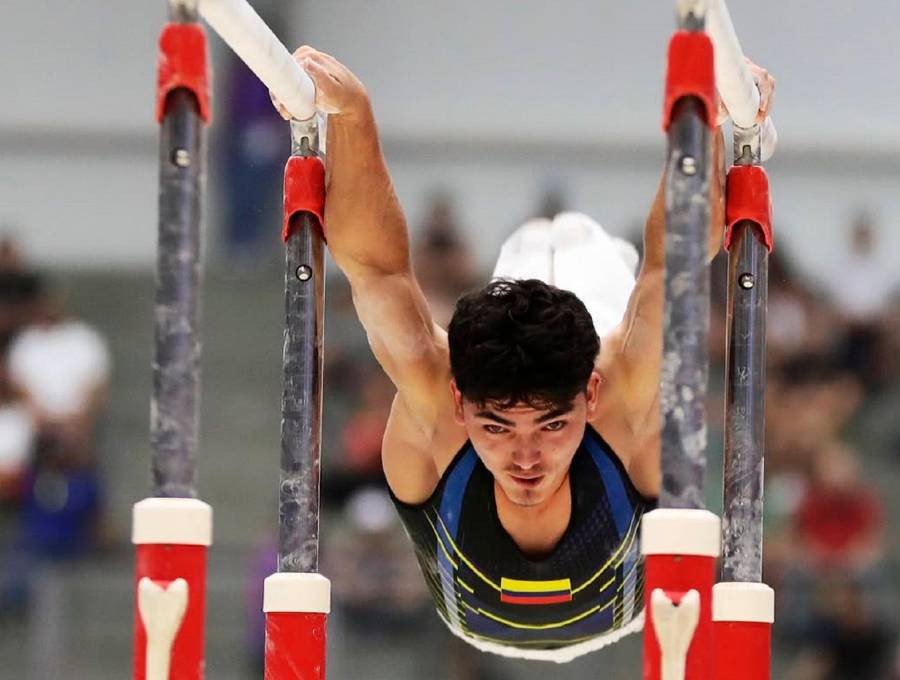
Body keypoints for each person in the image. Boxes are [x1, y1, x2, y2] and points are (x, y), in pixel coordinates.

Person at [272, 47, 775, 659]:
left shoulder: (618, 394)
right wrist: (351, 110)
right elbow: (376, 272)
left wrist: (710, 122)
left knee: (613, 290)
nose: (526, 457)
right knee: (550, 272)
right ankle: (549, 243)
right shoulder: (436, 406)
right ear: (460, 404)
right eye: (497, 427)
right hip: (493, 616)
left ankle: (565, 242)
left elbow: (675, 263)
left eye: (552, 425)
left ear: (590, 395)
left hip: (623, 607)